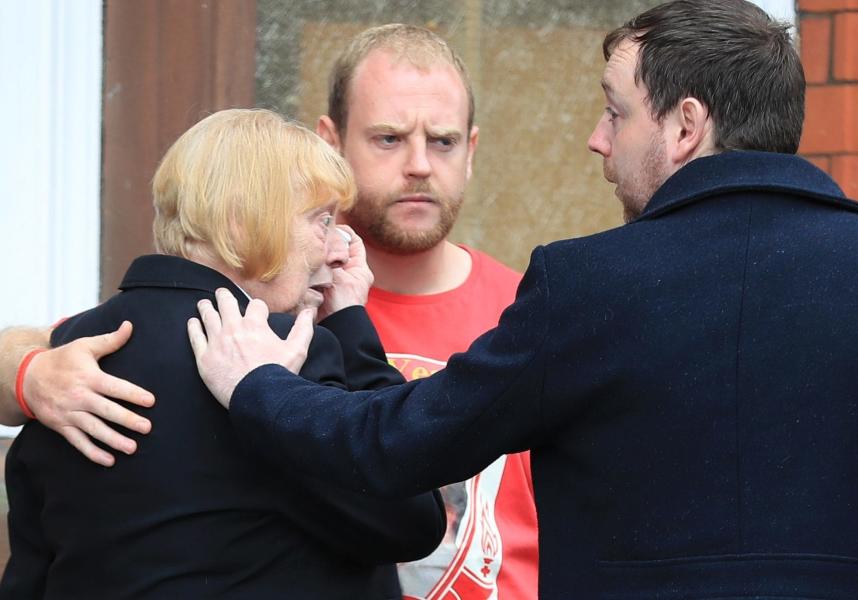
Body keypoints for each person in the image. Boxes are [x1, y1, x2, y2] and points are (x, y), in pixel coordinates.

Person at [188, 1, 858, 598]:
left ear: (684, 126)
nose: (596, 138)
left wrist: (258, 387)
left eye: (615, 112)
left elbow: (395, 445)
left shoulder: (587, 284)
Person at [0, 23, 538, 600]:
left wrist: (33, 371)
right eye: (320, 219)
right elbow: (410, 517)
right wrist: (24, 370)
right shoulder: (290, 345)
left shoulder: (80, 356)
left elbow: (31, 572)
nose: (419, 165)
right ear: (242, 223)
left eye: (443, 141)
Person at [316, 24, 537, 599]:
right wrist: (44, 373)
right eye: (388, 138)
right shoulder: (279, 304)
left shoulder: (532, 313)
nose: (419, 164)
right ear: (330, 144)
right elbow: (124, 346)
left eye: (442, 141)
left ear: (471, 152)